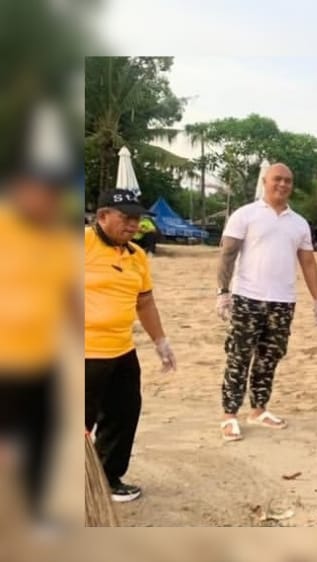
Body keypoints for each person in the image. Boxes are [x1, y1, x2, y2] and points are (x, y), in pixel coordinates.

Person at [0, 115, 76, 519]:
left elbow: (67, 294)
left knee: (42, 439)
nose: (45, 199)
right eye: (39, 190)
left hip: (41, 358)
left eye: (52, 192)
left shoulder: (57, 237)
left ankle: (35, 513)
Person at [215, 163, 317, 441]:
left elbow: (308, 262)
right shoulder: (246, 215)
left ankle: (259, 409)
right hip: (248, 298)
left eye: (288, 180)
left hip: (283, 301)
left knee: (269, 357)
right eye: (277, 179)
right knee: (239, 357)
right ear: (265, 181)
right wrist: (222, 291)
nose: (283, 185)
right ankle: (229, 415)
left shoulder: (298, 223)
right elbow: (227, 253)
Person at [85, 189, 177, 502]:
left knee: (123, 414)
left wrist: (161, 341)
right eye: (126, 217)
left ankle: (107, 478)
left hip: (122, 350)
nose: (133, 224)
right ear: (102, 216)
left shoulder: (137, 256)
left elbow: (145, 301)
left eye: (137, 218)